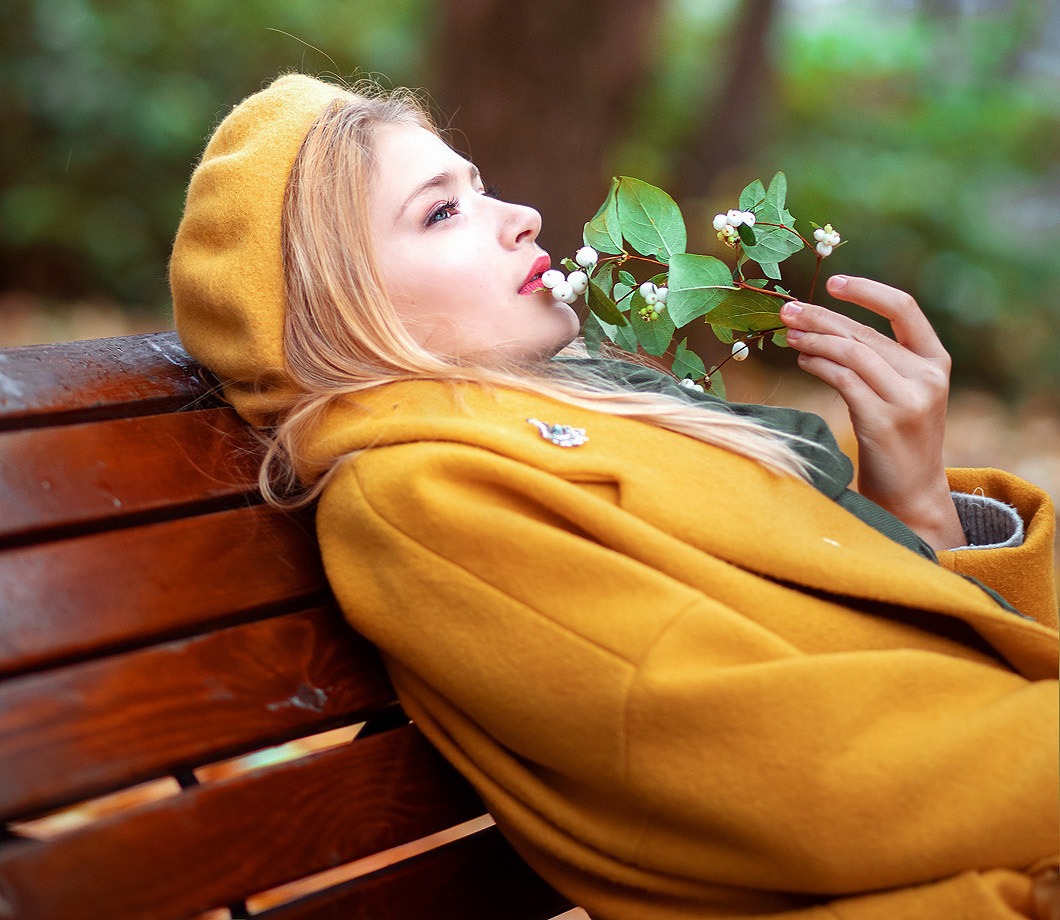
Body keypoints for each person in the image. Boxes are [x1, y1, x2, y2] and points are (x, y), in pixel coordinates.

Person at [170, 73, 1059, 920]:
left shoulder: (571, 420)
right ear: (336, 310)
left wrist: (920, 505)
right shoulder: (419, 495)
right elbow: (806, 778)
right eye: (441, 211)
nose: (522, 219)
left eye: (479, 189)